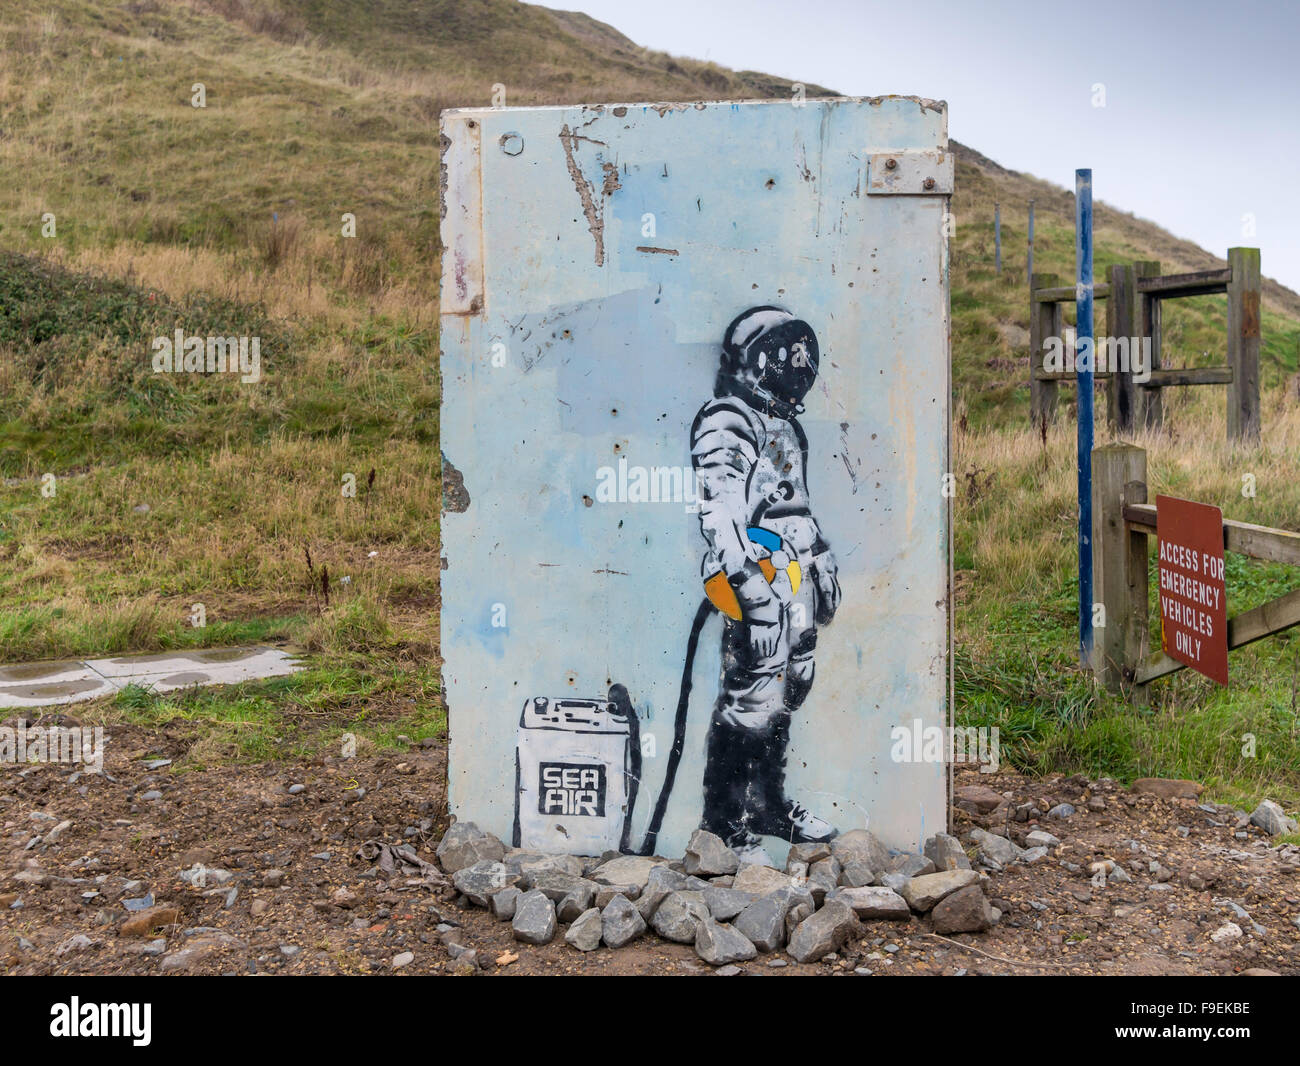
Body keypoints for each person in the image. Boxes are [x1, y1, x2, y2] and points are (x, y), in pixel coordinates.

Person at [689, 306, 842, 864]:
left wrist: (820, 559)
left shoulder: (782, 426)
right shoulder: (726, 422)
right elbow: (723, 519)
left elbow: (794, 506)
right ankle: (724, 822)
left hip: (793, 580)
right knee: (752, 694)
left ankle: (769, 805)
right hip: (755, 581)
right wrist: (754, 601)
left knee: (792, 682)